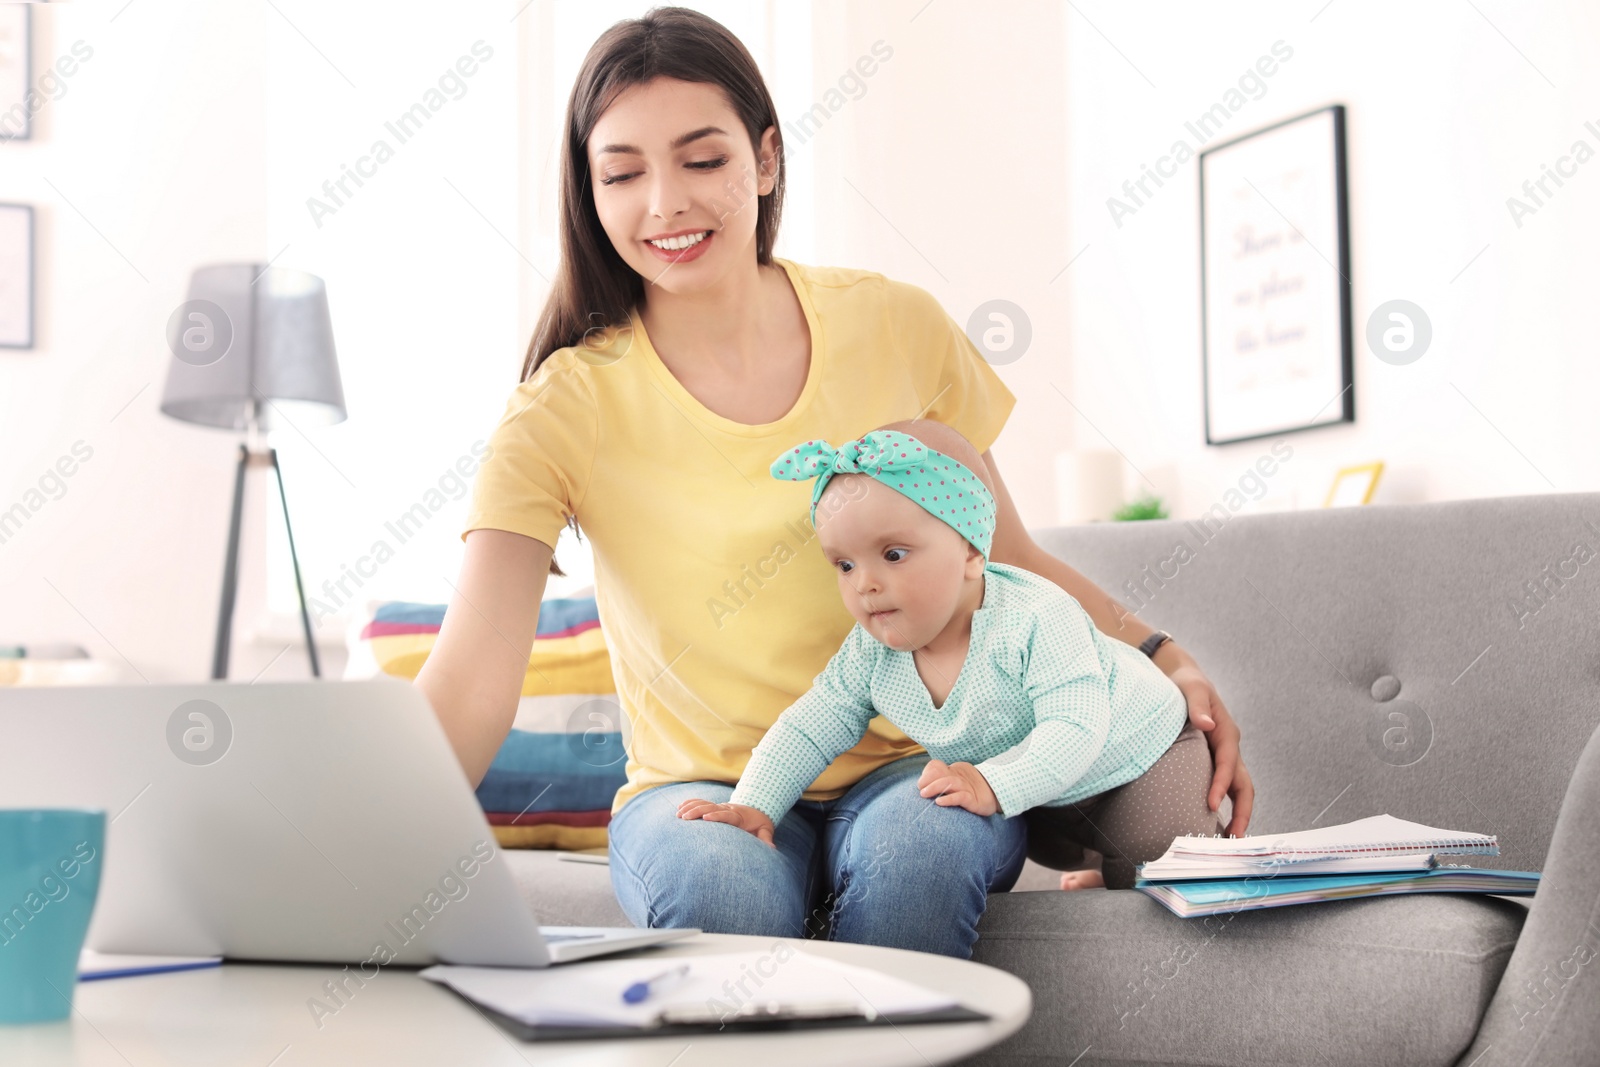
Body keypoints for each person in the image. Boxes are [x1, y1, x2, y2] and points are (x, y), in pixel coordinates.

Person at [414, 6, 1253, 958]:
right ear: (590, 191)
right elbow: (475, 679)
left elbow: (1006, 557)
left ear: (765, 160)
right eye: (623, 173)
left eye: (703, 160)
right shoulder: (561, 408)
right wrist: (363, 848)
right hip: (700, 786)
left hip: (911, 764)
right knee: (719, 889)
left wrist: (1163, 651)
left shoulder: (895, 326)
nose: (665, 204)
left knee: (921, 854)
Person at [676, 421, 1225, 891]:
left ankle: (1137, 863)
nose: (865, 584)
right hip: (1048, 793)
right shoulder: (871, 652)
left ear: (969, 550)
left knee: (1166, 862)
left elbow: (1077, 727)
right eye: (843, 565)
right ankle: (1103, 860)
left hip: (1145, 757)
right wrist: (754, 804)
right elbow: (810, 726)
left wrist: (992, 784)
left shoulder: (1036, 616)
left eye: (893, 554)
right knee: (1051, 840)